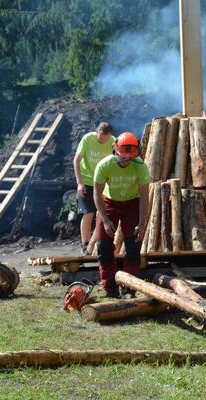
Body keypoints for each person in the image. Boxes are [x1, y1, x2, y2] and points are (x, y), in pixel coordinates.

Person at [93, 132, 150, 298]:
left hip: (132, 203)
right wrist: (104, 219)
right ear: (115, 150)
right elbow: (96, 194)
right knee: (103, 246)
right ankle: (110, 288)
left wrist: (142, 223)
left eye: (129, 158)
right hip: (109, 203)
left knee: (133, 246)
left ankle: (129, 289)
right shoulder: (104, 165)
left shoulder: (140, 167)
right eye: (123, 157)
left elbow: (145, 197)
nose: (126, 161)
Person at [73, 122, 115, 254]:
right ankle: (85, 244)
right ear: (97, 132)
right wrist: (80, 183)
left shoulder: (113, 141)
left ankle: (102, 242)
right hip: (87, 181)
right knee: (88, 212)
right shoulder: (87, 139)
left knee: (105, 212)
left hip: (104, 182)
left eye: (106, 138)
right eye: (102, 138)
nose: (104, 140)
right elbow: (76, 160)